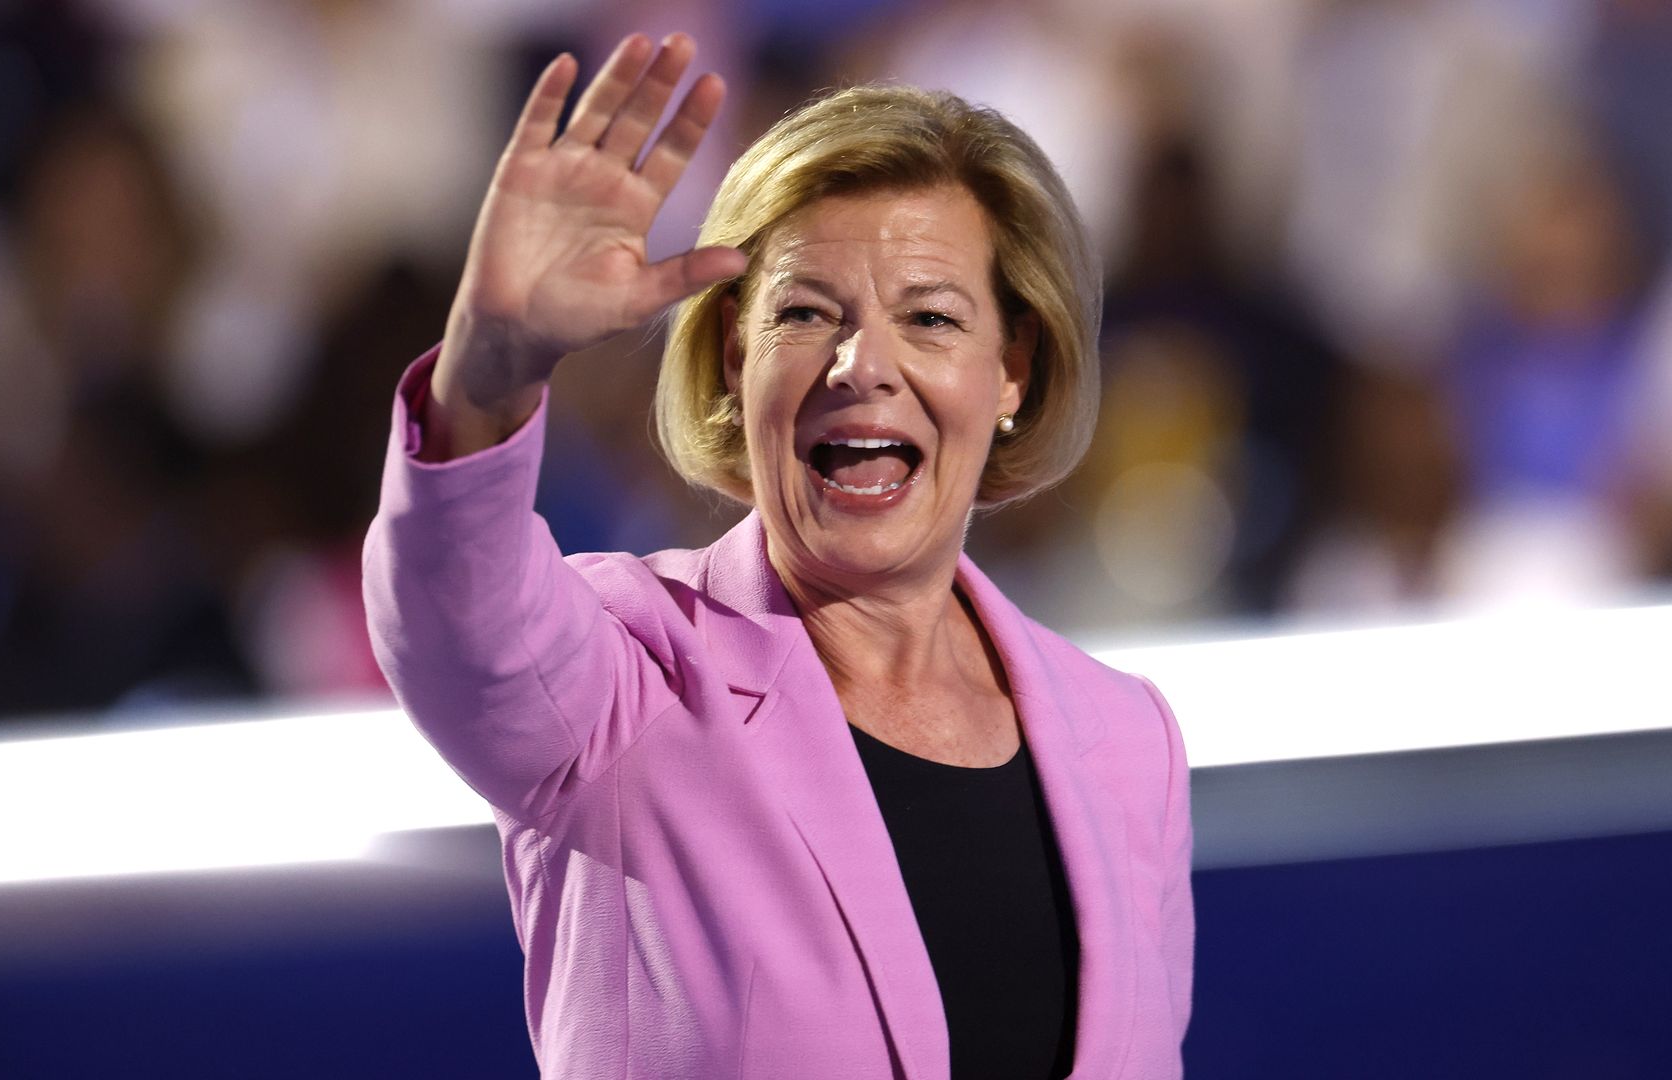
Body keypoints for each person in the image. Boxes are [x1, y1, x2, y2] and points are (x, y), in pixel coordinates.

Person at [363, 32, 1193, 1079]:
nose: (862, 365)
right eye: (805, 313)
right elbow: (457, 624)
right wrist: (490, 369)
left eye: (931, 317)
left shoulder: (1129, 741)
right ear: (733, 356)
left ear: (1013, 369)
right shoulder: (628, 676)